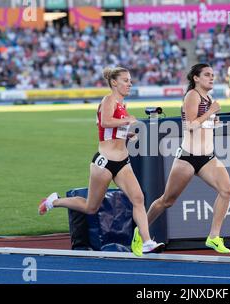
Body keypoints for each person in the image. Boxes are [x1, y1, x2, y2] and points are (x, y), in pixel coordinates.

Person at [38, 66, 164, 257]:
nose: (130, 83)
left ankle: (147, 242)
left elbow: (111, 130)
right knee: (91, 207)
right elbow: (105, 121)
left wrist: (127, 134)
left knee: (138, 198)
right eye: (125, 80)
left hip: (123, 162)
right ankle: (54, 202)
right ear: (114, 83)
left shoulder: (122, 105)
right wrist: (127, 121)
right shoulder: (108, 100)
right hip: (104, 162)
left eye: (130, 80)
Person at [144, 63, 230, 254]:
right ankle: (140, 231)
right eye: (207, 75)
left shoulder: (209, 97)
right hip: (188, 157)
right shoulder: (192, 96)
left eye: (212, 75)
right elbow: (190, 126)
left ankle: (214, 237)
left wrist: (214, 121)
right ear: (196, 78)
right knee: (167, 200)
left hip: (207, 157)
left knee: (226, 190)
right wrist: (210, 113)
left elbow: (205, 125)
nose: (212, 78)